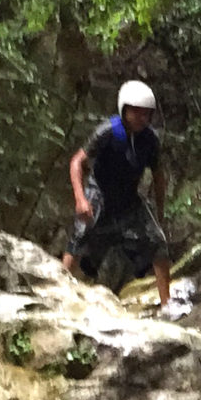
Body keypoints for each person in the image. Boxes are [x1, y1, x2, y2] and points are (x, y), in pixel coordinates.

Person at [65, 80, 173, 310]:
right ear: (124, 110)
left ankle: (168, 305)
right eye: (136, 112)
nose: (141, 118)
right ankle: (59, 290)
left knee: (158, 242)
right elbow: (77, 161)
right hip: (100, 192)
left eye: (146, 114)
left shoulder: (150, 141)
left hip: (129, 197)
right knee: (80, 236)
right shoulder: (107, 132)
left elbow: (159, 175)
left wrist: (160, 211)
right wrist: (80, 198)